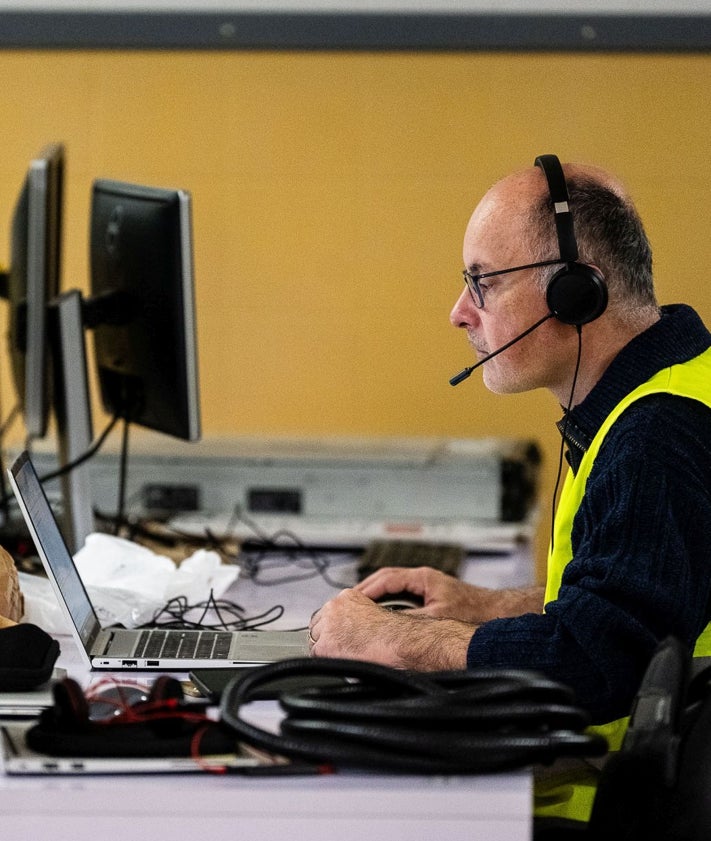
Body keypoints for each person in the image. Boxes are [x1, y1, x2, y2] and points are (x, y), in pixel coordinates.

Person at [307, 154, 711, 827]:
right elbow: (648, 593)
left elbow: (601, 658)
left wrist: (403, 641)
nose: (458, 313)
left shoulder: (657, 435)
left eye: (482, 283)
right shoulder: (668, 388)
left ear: (575, 292)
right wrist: (485, 605)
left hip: (625, 806)